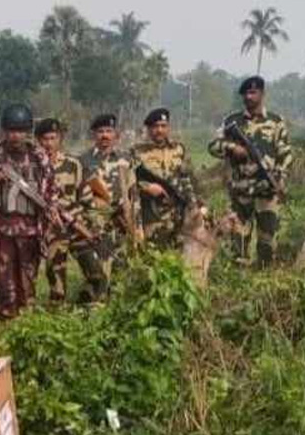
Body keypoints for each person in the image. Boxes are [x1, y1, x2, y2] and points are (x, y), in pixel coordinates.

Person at [208, 77, 293, 267]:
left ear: (262, 94)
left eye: (253, 93)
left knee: (267, 243)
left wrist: (280, 176)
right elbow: (213, 146)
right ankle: (239, 281)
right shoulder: (232, 121)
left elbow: (286, 154)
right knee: (238, 243)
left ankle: (264, 278)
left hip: (267, 192)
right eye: (246, 93)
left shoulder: (275, 121)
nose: (249, 97)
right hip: (241, 193)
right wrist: (231, 147)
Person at [0, 104, 58, 320]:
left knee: (27, 285)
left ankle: (26, 328)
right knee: (4, 286)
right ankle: (6, 327)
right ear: (4, 130)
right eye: (11, 131)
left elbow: (51, 189)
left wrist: (52, 210)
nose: (15, 136)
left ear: (27, 131)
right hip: (1, 232)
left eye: (20, 131)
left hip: (30, 233)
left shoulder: (39, 157)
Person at [73, 114, 139, 301]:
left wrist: (135, 224)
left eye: (109, 131)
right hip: (95, 225)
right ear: (94, 134)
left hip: (121, 224)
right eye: (100, 131)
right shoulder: (82, 161)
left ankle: (116, 307)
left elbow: (133, 194)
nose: (105, 135)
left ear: (116, 134)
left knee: (122, 269)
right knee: (99, 271)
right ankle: (93, 306)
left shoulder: (126, 159)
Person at [131, 108, 201, 249]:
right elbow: (128, 181)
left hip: (179, 214)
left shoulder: (178, 149)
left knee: (180, 257)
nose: (160, 130)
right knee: (153, 256)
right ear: (149, 129)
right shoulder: (137, 151)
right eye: (156, 126)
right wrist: (147, 187)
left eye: (163, 126)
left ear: (168, 127)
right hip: (153, 216)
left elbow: (188, 178)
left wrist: (195, 205)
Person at [36, 117, 84, 305]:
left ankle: (92, 302)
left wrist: (78, 220)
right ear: (39, 140)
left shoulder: (73, 165)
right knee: (54, 270)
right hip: (49, 228)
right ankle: (57, 307)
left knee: (95, 266)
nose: (49, 143)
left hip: (74, 224)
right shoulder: (34, 166)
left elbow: (84, 197)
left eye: (53, 138)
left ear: (60, 139)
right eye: (45, 139)